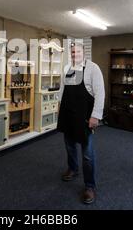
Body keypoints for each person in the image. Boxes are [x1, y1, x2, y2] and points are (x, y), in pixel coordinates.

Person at [57, 41, 105, 204]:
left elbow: (100, 93)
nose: (74, 55)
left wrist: (96, 116)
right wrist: (59, 107)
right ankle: (73, 169)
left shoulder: (93, 68)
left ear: (83, 53)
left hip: (85, 116)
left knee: (87, 154)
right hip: (68, 115)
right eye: (72, 53)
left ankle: (90, 186)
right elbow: (62, 90)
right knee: (69, 145)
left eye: (77, 52)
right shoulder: (67, 69)